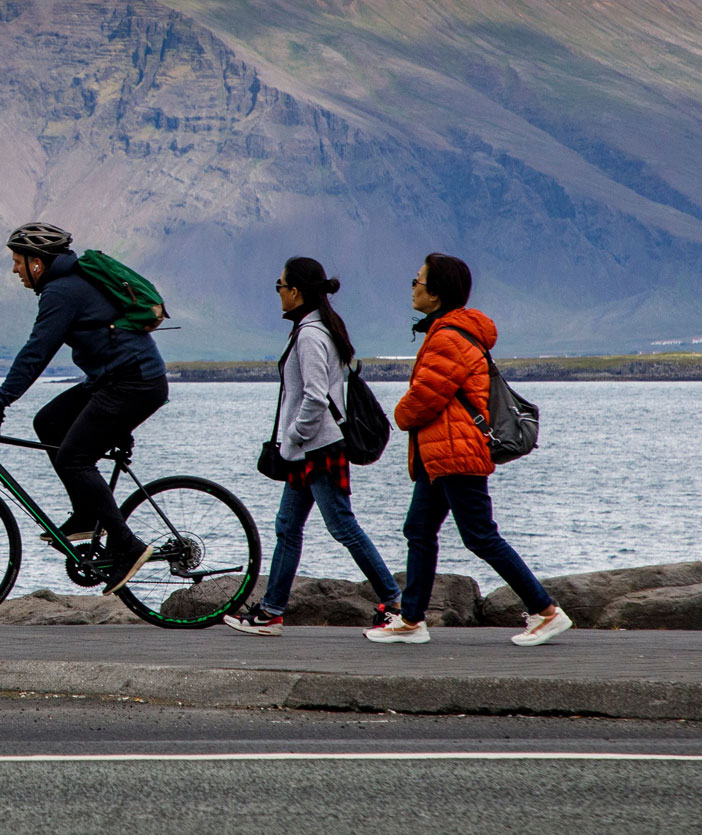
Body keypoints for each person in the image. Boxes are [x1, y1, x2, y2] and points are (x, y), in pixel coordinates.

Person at [365, 253, 572, 646]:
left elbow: (426, 396)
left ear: (437, 293)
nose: (412, 286)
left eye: (418, 280)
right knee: (419, 530)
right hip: (440, 454)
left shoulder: (447, 337)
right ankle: (411, 621)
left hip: (456, 453)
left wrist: (399, 413)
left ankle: (546, 611)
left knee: (479, 535)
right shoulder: (448, 331)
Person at [0, 221, 167, 594]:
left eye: (17, 261)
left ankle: (126, 545)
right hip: (114, 379)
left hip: (134, 382)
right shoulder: (67, 285)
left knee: (74, 457)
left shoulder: (61, 292)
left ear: (36, 262)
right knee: (49, 422)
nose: (14, 270)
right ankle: (88, 513)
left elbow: (36, 351)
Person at [223, 257, 402, 635]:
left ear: (296, 292)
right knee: (287, 526)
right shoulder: (319, 328)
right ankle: (271, 611)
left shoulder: (310, 335)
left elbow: (315, 398)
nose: (279, 293)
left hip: (317, 449)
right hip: (312, 449)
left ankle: (394, 603)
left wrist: (292, 439)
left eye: (280, 285)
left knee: (342, 526)